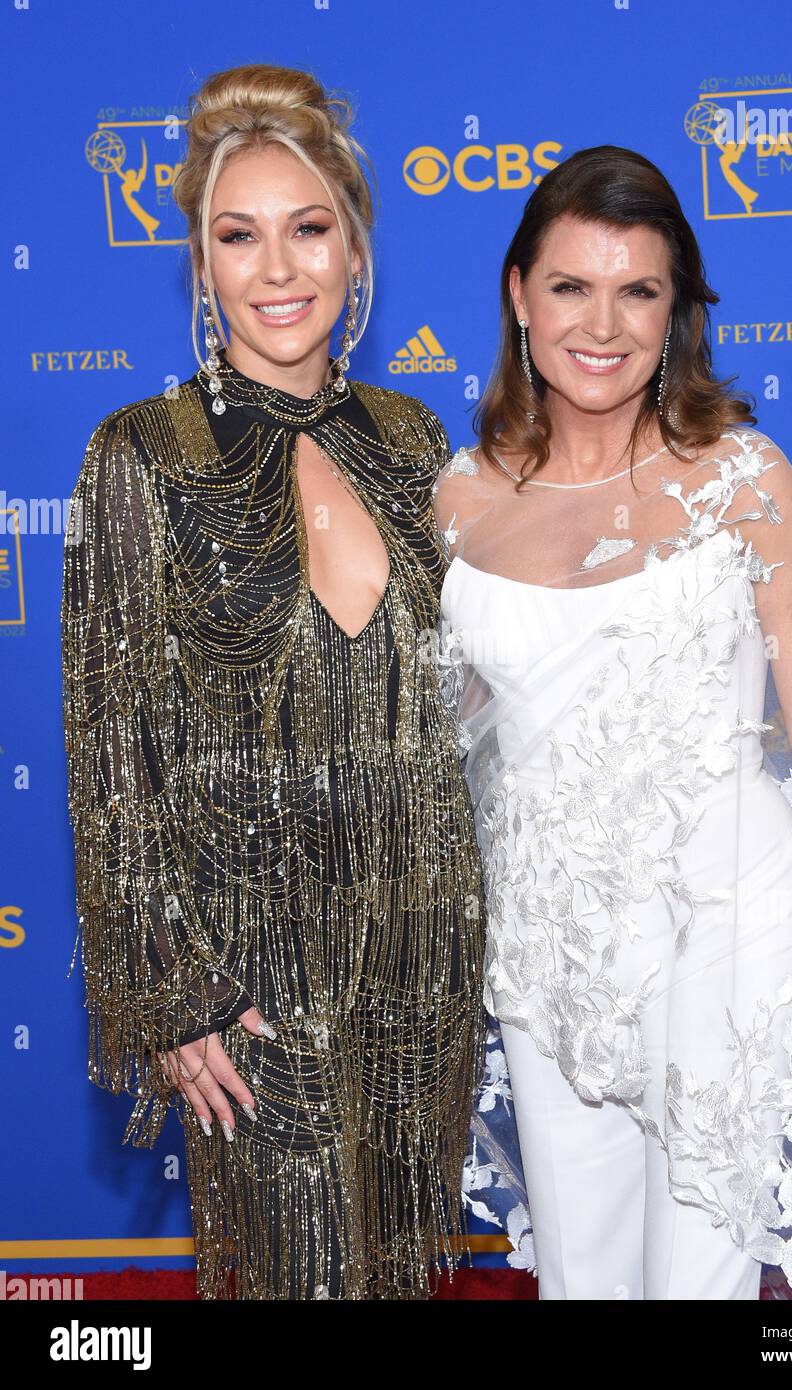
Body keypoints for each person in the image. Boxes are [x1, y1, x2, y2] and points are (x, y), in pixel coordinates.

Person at [434, 145, 792, 1301]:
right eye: (570, 287)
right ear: (520, 295)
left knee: (700, 1273)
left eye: (638, 290)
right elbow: (448, 742)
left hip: (723, 913)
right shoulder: (458, 497)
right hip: (547, 944)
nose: (601, 323)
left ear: (678, 313)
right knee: (580, 1274)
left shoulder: (742, 476)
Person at [61, 63, 487, 1300]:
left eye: (308, 230)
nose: (278, 269)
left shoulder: (413, 443)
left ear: (357, 249)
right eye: (237, 237)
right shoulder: (142, 451)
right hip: (249, 974)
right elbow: (109, 750)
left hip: (422, 947)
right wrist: (174, 989)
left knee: (406, 1278)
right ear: (201, 264)